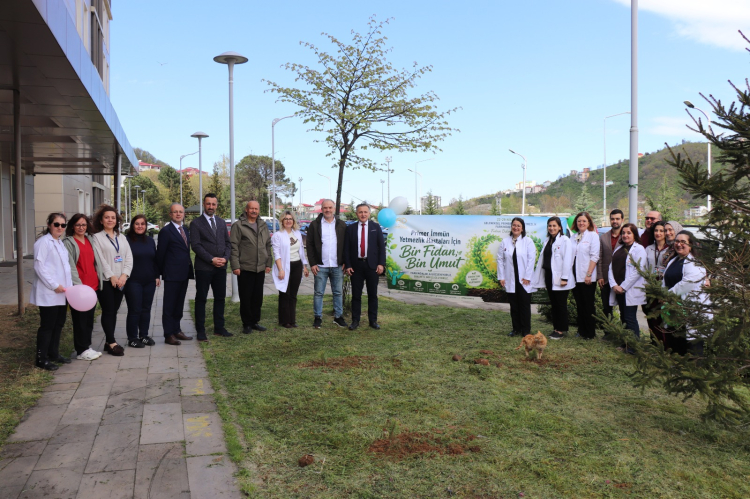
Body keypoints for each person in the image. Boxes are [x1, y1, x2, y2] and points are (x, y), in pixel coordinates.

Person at [30, 213, 73, 371]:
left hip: (62, 292)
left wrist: (69, 289)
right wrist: (54, 285)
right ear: (49, 225)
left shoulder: (60, 243)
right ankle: (41, 358)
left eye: (63, 225)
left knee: (58, 324)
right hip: (49, 292)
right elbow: (39, 266)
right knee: (47, 326)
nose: (60, 228)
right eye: (56, 224)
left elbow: (65, 269)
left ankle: (53, 353)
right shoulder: (43, 242)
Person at [190, 193, 232, 341]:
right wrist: (211, 259)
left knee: (220, 298)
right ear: (204, 204)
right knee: (201, 299)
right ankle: (200, 331)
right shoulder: (196, 223)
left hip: (221, 267)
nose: (211, 207)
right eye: (208, 204)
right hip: (204, 268)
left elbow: (228, 243)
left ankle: (219, 328)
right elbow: (196, 245)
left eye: (213, 204)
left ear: (216, 205)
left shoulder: (221, 222)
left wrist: (225, 258)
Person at [92, 205, 133, 356]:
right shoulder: (96, 238)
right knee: (108, 311)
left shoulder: (121, 237)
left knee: (114, 311)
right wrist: (112, 276)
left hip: (121, 281)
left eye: (113, 217)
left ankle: (108, 342)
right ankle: (111, 342)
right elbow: (99, 260)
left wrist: (124, 275)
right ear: (101, 220)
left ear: (117, 220)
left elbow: (129, 257)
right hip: (106, 280)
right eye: (107, 217)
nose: (110, 220)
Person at [662, 230, 710, 356]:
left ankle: (693, 368)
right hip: (674, 310)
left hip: (691, 310)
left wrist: (668, 295)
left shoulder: (695, 263)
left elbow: (687, 283)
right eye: (677, 241)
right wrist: (663, 294)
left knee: (693, 348)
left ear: (691, 244)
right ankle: (676, 365)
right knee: (676, 342)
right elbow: (665, 280)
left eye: (683, 242)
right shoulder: (674, 260)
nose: (679, 244)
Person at [63, 214, 103, 361]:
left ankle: (87, 347)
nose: (81, 227)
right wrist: (78, 286)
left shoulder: (90, 240)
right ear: (72, 226)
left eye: (84, 225)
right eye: (78, 225)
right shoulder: (68, 242)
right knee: (80, 320)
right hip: (79, 289)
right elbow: (70, 266)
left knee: (89, 319)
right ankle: (81, 350)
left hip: (93, 286)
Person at [230, 200, 272, 334]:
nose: (254, 211)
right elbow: (234, 247)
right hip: (245, 268)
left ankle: (255, 322)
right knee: (246, 297)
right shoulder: (238, 226)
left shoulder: (263, 225)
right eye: (251, 208)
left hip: (260, 268)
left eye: (256, 209)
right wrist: (235, 266)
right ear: (246, 210)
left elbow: (268, 245)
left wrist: (268, 263)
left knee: (257, 297)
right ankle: (247, 323)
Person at [156, 203, 194, 346]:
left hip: (184, 273)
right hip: (171, 274)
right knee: (169, 305)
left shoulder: (185, 230)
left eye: (180, 212)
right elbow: (160, 254)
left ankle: (177, 330)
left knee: (179, 304)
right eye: (175, 212)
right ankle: (168, 334)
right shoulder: (166, 231)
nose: (178, 214)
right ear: (170, 214)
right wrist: (158, 274)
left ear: (184, 214)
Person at [305, 199, 348, 329]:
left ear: (334, 209)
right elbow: (309, 245)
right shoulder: (315, 225)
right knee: (318, 293)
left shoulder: (342, 225)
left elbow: (346, 245)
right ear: (322, 209)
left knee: (338, 292)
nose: (328, 210)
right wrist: (313, 263)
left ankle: (338, 317)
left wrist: (345, 262)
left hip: (337, 265)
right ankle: (317, 317)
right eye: (325, 208)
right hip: (320, 266)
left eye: (330, 207)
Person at [344, 203, 386, 330]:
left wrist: (381, 264)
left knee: (372, 294)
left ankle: (373, 321)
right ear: (356, 213)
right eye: (360, 212)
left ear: (369, 213)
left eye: (365, 212)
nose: (363, 214)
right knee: (356, 295)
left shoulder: (375, 227)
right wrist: (348, 265)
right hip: (356, 266)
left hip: (372, 266)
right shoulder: (350, 228)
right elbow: (346, 249)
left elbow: (381, 247)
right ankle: (355, 321)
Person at [532, 217, 575, 340]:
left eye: (554, 226)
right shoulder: (548, 240)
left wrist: (564, 278)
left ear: (560, 227)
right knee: (554, 304)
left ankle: (561, 330)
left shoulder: (565, 240)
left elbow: (568, 260)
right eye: (550, 226)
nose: (552, 228)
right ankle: (556, 328)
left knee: (560, 304)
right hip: (549, 277)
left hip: (561, 278)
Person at [608, 223, 647, 353]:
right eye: (623, 233)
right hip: (618, 289)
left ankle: (633, 346)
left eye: (629, 233)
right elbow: (610, 268)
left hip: (629, 289)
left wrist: (623, 287)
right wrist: (614, 284)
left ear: (634, 235)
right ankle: (625, 343)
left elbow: (638, 271)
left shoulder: (639, 249)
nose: (625, 235)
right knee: (623, 317)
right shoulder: (619, 248)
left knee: (630, 318)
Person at [497, 217, 537, 337]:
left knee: (524, 305)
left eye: (518, 226)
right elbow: (500, 260)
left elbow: (531, 260)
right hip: (510, 279)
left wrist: (527, 276)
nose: (516, 227)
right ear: (511, 227)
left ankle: (526, 330)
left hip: (524, 280)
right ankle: (516, 329)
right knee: (514, 306)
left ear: (522, 228)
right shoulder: (505, 242)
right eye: (514, 225)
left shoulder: (528, 241)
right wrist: (501, 277)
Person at [124, 215, 160, 348]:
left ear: (146, 226)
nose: (140, 226)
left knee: (146, 309)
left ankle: (144, 335)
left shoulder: (150, 240)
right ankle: (132, 338)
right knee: (135, 309)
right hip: (133, 281)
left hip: (149, 280)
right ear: (132, 225)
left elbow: (155, 260)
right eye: (137, 224)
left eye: (143, 224)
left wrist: (157, 276)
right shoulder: (126, 240)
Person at [272, 211, 310, 328]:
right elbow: (276, 254)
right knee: (285, 293)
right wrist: (280, 269)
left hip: (297, 265)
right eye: (286, 219)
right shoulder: (277, 235)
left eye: (290, 219)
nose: (288, 221)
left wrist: (304, 266)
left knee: (293, 294)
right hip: (284, 266)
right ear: (282, 221)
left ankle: (292, 320)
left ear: (293, 221)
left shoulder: (297, 234)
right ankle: (284, 321)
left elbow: (301, 251)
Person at [570, 212, 600, 339]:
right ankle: (581, 330)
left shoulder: (593, 236)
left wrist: (589, 274)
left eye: (584, 221)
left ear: (589, 223)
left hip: (587, 276)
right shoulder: (573, 237)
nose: (581, 223)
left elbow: (595, 256)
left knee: (588, 305)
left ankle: (589, 332)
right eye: (579, 221)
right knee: (579, 304)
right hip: (575, 276)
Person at [644, 221, 673, 344]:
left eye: (662, 231)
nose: (658, 233)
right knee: (650, 315)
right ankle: (654, 342)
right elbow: (644, 267)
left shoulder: (671, 250)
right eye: (656, 230)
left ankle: (664, 343)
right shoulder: (648, 248)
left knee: (662, 316)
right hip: (650, 286)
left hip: (663, 286)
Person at [596, 209, 624, 331]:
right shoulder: (603, 237)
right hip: (606, 279)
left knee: (624, 308)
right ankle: (608, 332)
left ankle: (624, 333)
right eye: (612, 219)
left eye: (617, 219)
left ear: (622, 220)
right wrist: (600, 276)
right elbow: (600, 257)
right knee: (606, 307)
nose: (615, 221)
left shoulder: (626, 236)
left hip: (622, 279)